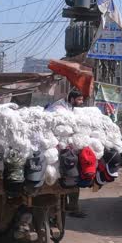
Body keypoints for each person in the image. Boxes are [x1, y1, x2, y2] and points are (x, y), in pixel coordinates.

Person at [49, 89, 88, 218]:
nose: (81, 102)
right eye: (79, 100)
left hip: (70, 149)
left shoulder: (73, 110)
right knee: (61, 177)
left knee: (73, 177)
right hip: (60, 150)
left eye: (82, 100)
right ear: (71, 99)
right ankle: (58, 207)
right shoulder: (59, 108)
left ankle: (73, 207)